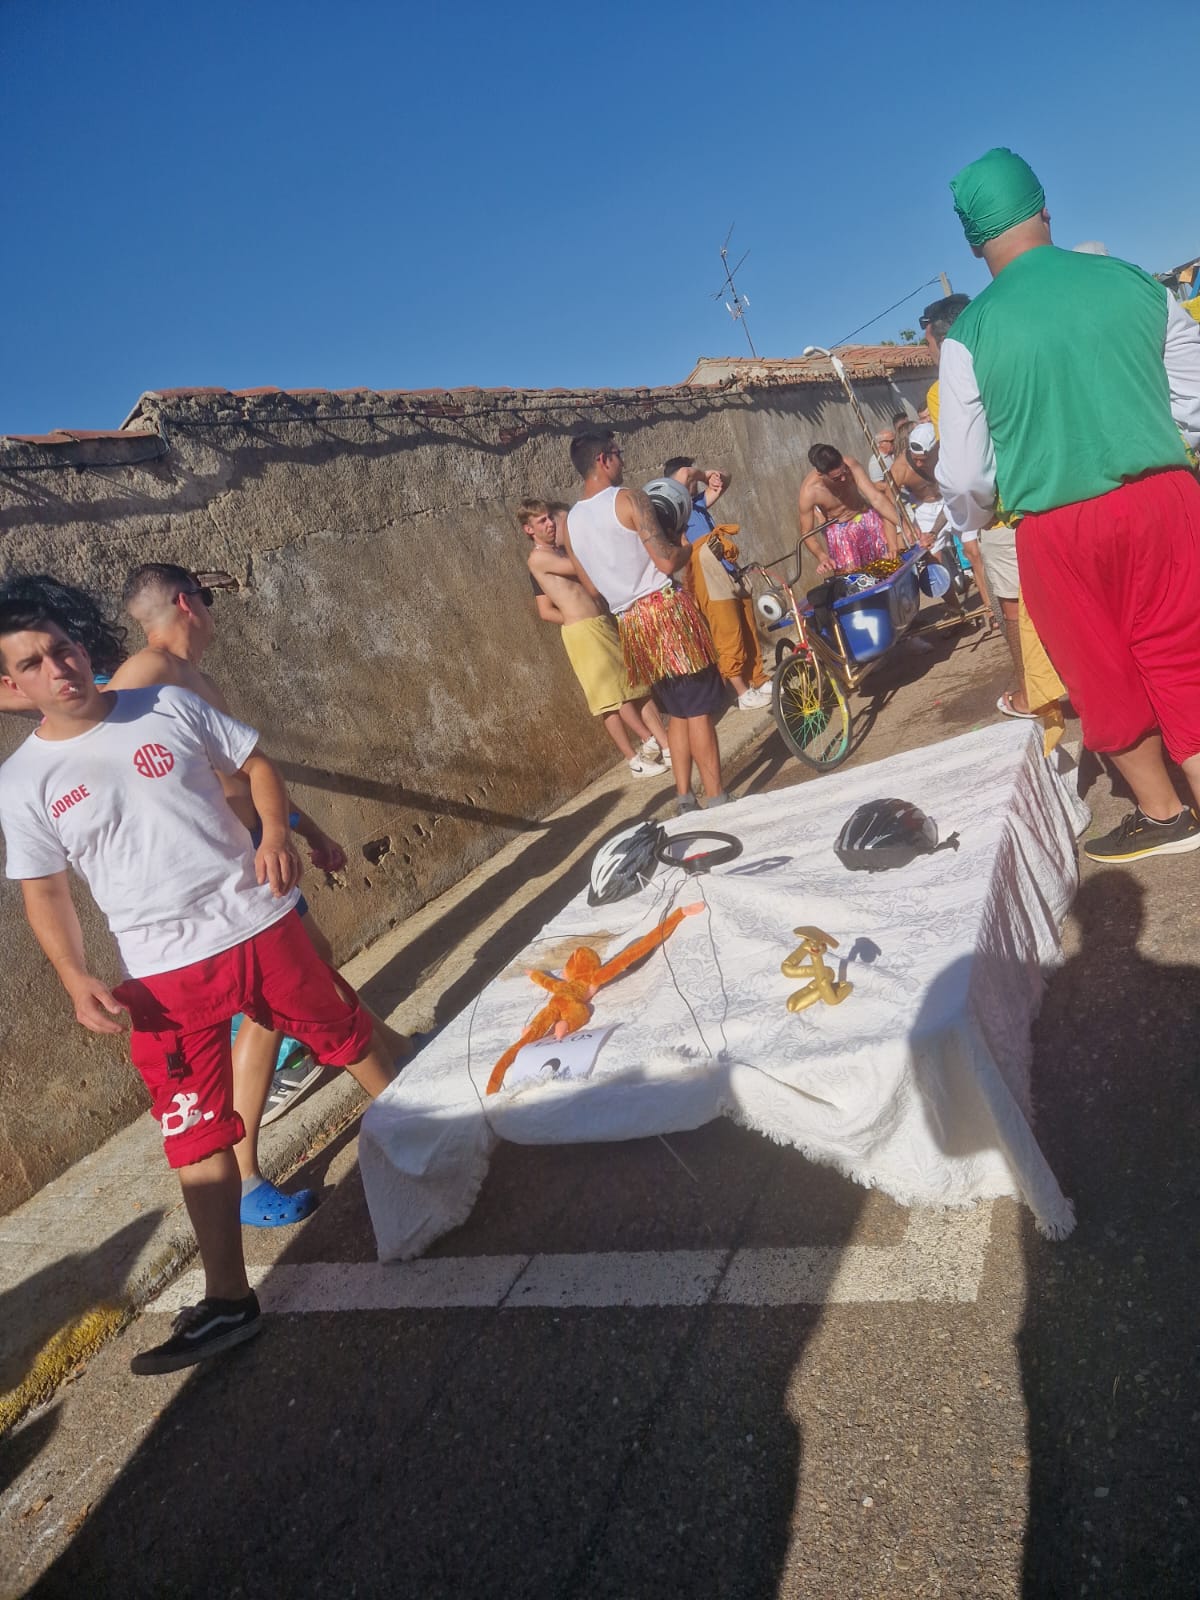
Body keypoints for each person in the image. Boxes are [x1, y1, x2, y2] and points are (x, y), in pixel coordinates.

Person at [0, 598, 394, 1373]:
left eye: (63, 648)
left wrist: (279, 832)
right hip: (161, 973)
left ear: (81, 647)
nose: (58, 668)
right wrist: (76, 979)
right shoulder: (22, 784)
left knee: (352, 1040)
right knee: (194, 1129)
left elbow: (254, 766)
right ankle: (228, 1299)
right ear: (10, 689)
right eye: (32, 664)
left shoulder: (166, 705)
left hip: (259, 927)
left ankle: (442, 1152)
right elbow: (43, 890)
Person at [115, 563, 406, 1224]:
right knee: (275, 1000)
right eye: (209, 600)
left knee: (308, 970)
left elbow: (248, 773)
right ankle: (245, 1176)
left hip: (255, 854)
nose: (214, 613)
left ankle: (393, 1054)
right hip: (222, 874)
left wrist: (306, 829)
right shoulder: (144, 676)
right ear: (188, 602)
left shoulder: (196, 681)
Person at [936, 146, 1200, 862]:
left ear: (972, 241)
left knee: (1101, 671)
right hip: (1166, 500)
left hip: (1057, 527)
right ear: (1045, 209)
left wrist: (977, 520)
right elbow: (1194, 394)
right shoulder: (1136, 283)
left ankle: (1166, 814)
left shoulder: (969, 336)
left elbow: (963, 478)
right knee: (1185, 655)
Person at [563, 432, 727, 814]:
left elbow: (592, 589)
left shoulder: (570, 523)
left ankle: (685, 796)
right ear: (603, 459)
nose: (623, 461)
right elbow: (668, 562)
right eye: (619, 454)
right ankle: (718, 797)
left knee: (679, 711)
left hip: (632, 625)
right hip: (666, 612)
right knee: (700, 709)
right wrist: (690, 546)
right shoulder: (630, 499)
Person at [518, 499, 672, 775]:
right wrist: (575, 620)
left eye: (550, 518)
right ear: (528, 530)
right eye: (542, 521)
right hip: (584, 632)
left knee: (636, 685)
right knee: (612, 697)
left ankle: (665, 745)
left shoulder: (560, 552)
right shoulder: (538, 558)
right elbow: (580, 570)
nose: (550, 524)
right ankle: (641, 751)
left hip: (600, 623)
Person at [662, 456, 770, 710]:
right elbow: (687, 473)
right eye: (689, 480)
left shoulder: (696, 504)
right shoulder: (673, 506)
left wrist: (715, 476)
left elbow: (724, 481)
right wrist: (704, 473)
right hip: (705, 571)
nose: (695, 482)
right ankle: (741, 693)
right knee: (727, 629)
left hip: (726, 567)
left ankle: (757, 678)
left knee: (746, 624)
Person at [797, 444, 903, 574]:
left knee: (888, 566)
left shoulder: (851, 465)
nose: (843, 479)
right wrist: (822, 556)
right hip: (840, 532)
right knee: (854, 578)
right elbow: (807, 533)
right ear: (820, 474)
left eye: (844, 472)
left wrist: (904, 524)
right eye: (836, 478)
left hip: (865, 517)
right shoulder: (809, 492)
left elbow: (876, 498)